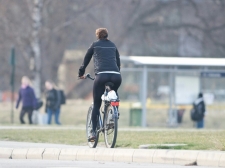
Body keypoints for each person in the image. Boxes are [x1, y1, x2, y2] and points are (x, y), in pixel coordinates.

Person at [78, 28, 122, 141]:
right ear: (107, 35)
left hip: (101, 76)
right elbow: (118, 61)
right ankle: (114, 113)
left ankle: (92, 132)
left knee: (97, 105)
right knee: (114, 94)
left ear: (97, 36)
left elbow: (86, 59)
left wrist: (81, 73)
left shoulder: (95, 45)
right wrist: (116, 71)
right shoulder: (113, 45)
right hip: (116, 75)